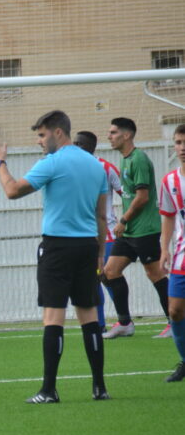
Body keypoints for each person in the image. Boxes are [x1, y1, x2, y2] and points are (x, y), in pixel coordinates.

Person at [0, 110, 109, 403]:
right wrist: (100, 255)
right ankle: (99, 388)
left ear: (59, 132)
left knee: (53, 317)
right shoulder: (96, 166)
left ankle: (48, 390)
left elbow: (12, 190)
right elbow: (101, 217)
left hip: (57, 248)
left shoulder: (52, 163)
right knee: (89, 316)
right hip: (87, 248)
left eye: (42, 135)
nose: (39, 141)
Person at [103, 118, 171, 339]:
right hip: (130, 231)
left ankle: (175, 322)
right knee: (110, 272)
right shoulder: (124, 160)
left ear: (127, 135)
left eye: (113, 132)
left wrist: (123, 220)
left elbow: (142, 197)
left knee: (155, 274)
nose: (109, 136)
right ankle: (125, 323)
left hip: (145, 230)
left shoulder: (139, 159)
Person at [74, 131, 123, 332]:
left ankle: (124, 319)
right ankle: (100, 324)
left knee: (109, 277)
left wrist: (125, 222)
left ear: (86, 146)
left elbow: (127, 194)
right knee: (91, 280)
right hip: (84, 236)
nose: (73, 145)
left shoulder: (106, 168)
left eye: (77, 142)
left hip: (108, 235)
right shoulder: (72, 168)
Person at [157, 124, 185, 382]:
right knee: (175, 310)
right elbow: (167, 216)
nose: (182, 148)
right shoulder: (170, 181)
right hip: (181, 257)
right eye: (178, 142)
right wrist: (164, 249)